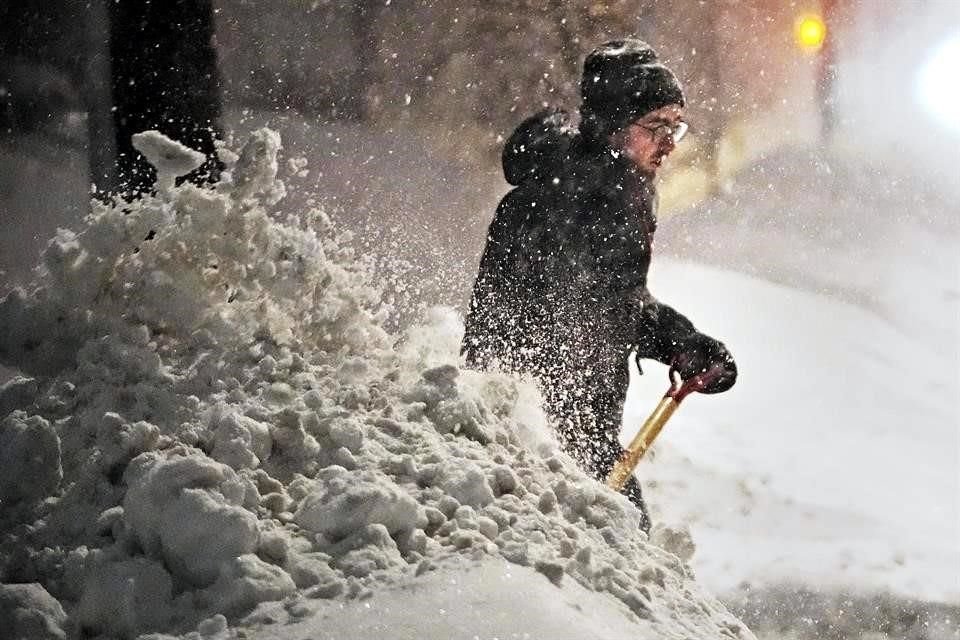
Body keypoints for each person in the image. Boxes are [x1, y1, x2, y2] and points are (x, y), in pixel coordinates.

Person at [461, 38, 737, 533]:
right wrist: (681, 343)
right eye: (655, 127)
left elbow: (613, 300)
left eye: (675, 126)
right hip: (542, 438)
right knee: (613, 553)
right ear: (612, 125)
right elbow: (591, 312)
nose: (670, 142)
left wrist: (683, 344)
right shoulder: (574, 199)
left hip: (566, 430)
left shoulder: (611, 186)